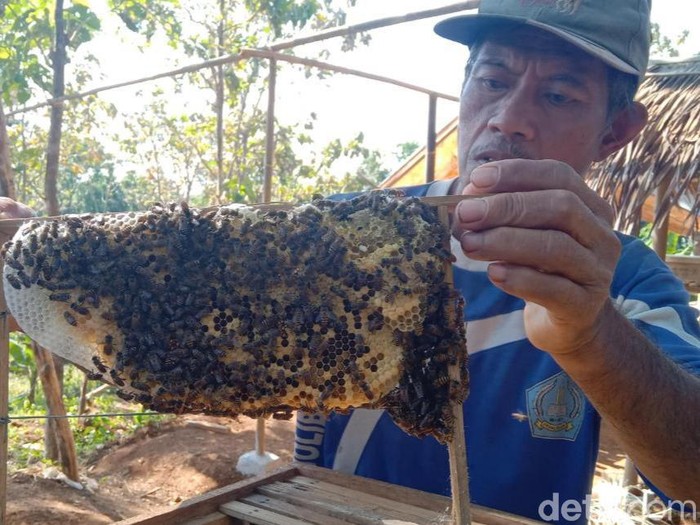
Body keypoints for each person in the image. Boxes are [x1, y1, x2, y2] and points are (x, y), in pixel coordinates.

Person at [294, 0, 700, 521]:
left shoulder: (627, 277)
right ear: (464, 87)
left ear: (614, 131)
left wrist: (593, 334)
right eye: (492, 81)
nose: (509, 120)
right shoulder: (341, 234)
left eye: (557, 95)